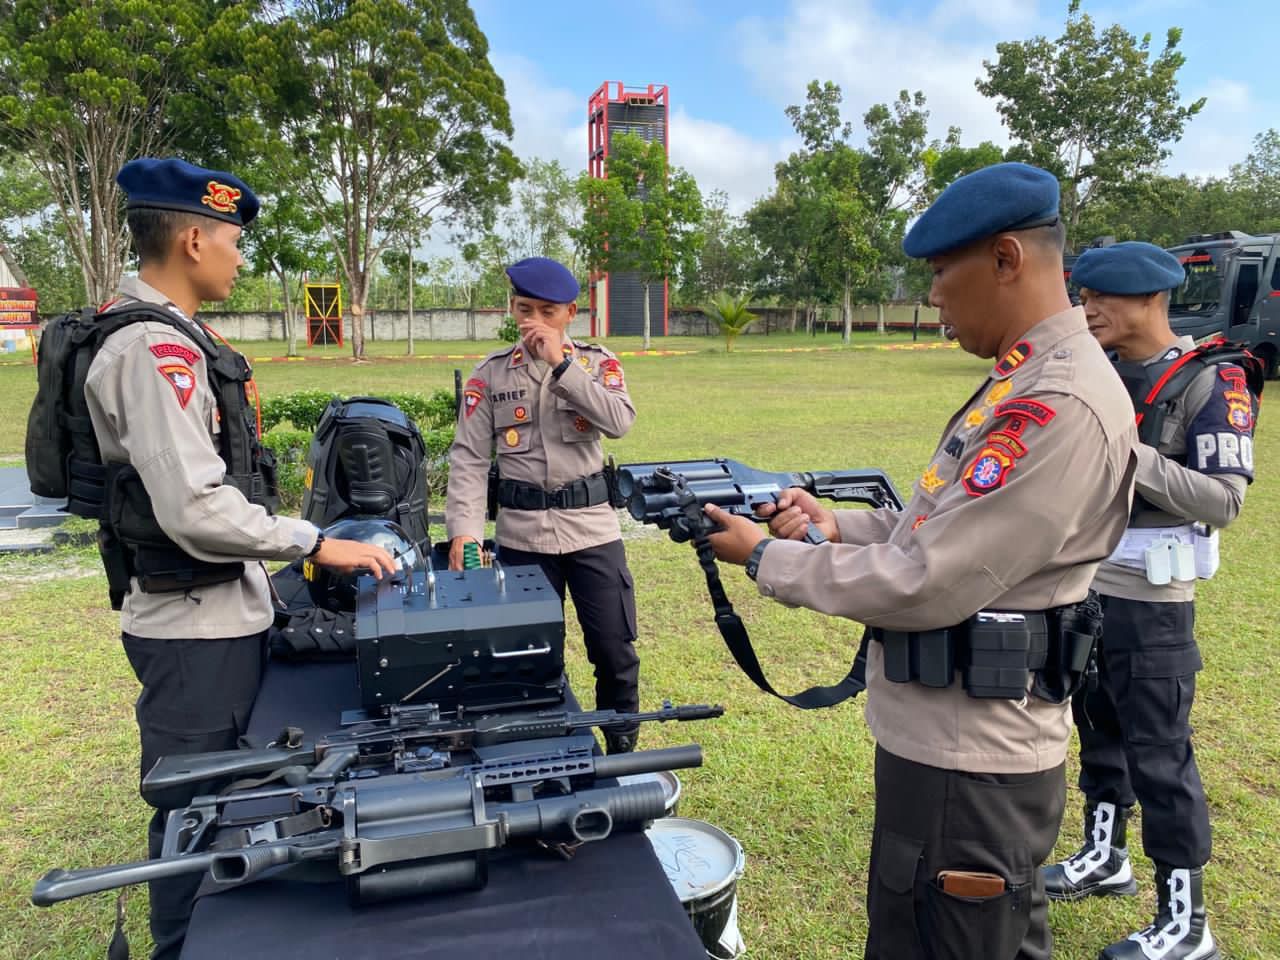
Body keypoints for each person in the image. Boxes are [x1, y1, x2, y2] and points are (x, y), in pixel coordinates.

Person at [703, 162, 1139, 960]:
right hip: (949, 741)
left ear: (1007, 259)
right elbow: (937, 527)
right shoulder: (1020, 384)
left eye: (943, 272)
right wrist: (834, 525)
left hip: (973, 759)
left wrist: (766, 557)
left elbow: (929, 579)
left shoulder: (1059, 403)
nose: (934, 294)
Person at [85, 157, 397, 959]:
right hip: (192, 627)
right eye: (232, 240)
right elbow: (195, 510)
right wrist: (319, 542)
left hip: (218, 611)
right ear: (192, 239)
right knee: (194, 806)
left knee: (232, 795)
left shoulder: (174, 339)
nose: (239, 256)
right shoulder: (152, 350)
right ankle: (179, 947)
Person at [1040, 242, 1258, 960]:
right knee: (1098, 730)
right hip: (1086, 586)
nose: (1087, 309)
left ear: (1150, 300)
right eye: (1083, 296)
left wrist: (1128, 454)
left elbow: (1223, 501)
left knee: (1160, 756)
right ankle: (1106, 858)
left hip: (1156, 601)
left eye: (1102, 298)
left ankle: (1188, 925)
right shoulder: (1097, 373)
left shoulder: (1210, 380)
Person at [445, 257, 641, 753]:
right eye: (524, 308)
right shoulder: (489, 374)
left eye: (547, 311)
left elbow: (618, 421)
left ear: (570, 312)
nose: (534, 321)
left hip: (591, 532)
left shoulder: (597, 364)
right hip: (523, 537)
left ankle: (621, 755)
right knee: (528, 655)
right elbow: (469, 458)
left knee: (614, 652)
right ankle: (548, 758)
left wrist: (562, 365)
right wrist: (463, 533)